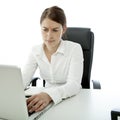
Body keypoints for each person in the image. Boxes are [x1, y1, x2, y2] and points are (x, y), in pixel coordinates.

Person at [22, 6, 84, 114]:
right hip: (46, 101)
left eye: (55, 30)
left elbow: (74, 84)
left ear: (63, 29)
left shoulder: (75, 49)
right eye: (45, 29)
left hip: (72, 99)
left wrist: (50, 95)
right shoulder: (35, 51)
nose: (49, 36)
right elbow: (23, 80)